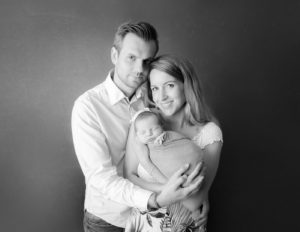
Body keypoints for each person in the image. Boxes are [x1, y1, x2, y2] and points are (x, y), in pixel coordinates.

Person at [71, 21, 205, 232]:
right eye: (131, 58)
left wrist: (198, 197)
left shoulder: (156, 97)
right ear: (115, 56)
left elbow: (175, 149)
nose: (139, 69)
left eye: (147, 61)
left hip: (155, 220)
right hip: (109, 221)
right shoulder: (88, 106)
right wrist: (156, 198)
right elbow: (101, 178)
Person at [125, 55, 223, 232]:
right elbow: (129, 176)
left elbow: (193, 202)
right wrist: (166, 189)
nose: (161, 97)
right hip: (142, 225)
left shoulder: (209, 133)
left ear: (187, 85)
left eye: (169, 85)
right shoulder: (144, 122)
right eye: (155, 88)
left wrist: (201, 195)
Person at [131, 109, 204, 185]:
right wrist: (167, 184)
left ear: (161, 127)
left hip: (193, 164)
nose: (149, 134)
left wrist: (166, 137)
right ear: (137, 136)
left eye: (154, 129)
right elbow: (148, 167)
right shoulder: (143, 148)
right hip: (172, 182)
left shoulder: (167, 135)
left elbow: (184, 140)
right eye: (143, 132)